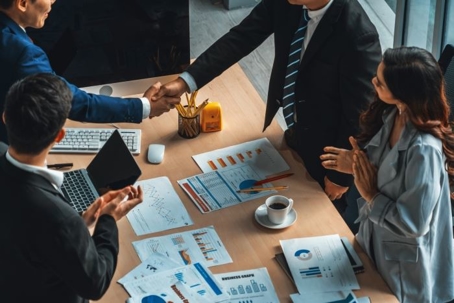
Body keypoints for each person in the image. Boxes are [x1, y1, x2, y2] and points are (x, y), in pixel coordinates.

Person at [154, 0, 381, 212]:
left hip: (329, 156)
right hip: (295, 132)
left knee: (321, 221)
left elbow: (360, 116)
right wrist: (185, 82)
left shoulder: (358, 36)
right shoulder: (287, 3)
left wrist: (340, 177)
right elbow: (240, 38)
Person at [321, 46, 454, 302]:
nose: (373, 81)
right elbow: (393, 170)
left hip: (402, 269)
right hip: (372, 243)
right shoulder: (394, 114)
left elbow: (414, 224)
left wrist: (370, 194)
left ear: (402, 96)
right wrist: (358, 163)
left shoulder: (424, 151)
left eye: (380, 82)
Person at [0, 73, 144, 302]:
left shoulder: (62, 222)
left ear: (6, 117)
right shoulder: (60, 219)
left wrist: (79, 228)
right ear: (59, 136)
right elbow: (94, 285)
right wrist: (107, 220)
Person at [0, 0, 180, 144]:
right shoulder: (24, 53)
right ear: (22, 3)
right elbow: (71, 101)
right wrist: (144, 107)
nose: (53, 2)